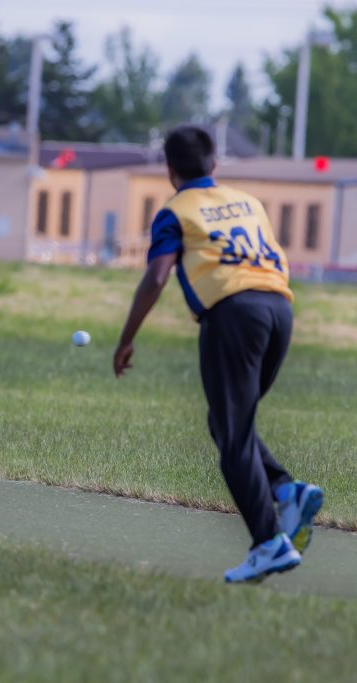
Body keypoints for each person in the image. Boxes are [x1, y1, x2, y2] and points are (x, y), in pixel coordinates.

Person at [113, 125, 323, 584]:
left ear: (170, 172)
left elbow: (156, 277)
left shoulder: (175, 211)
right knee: (229, 424)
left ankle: (269, 543)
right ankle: (287, 491)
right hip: (279, 310)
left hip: (233, 315)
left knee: (232, 438)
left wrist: (127, 336)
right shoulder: (249, 202)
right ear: (215, 165)